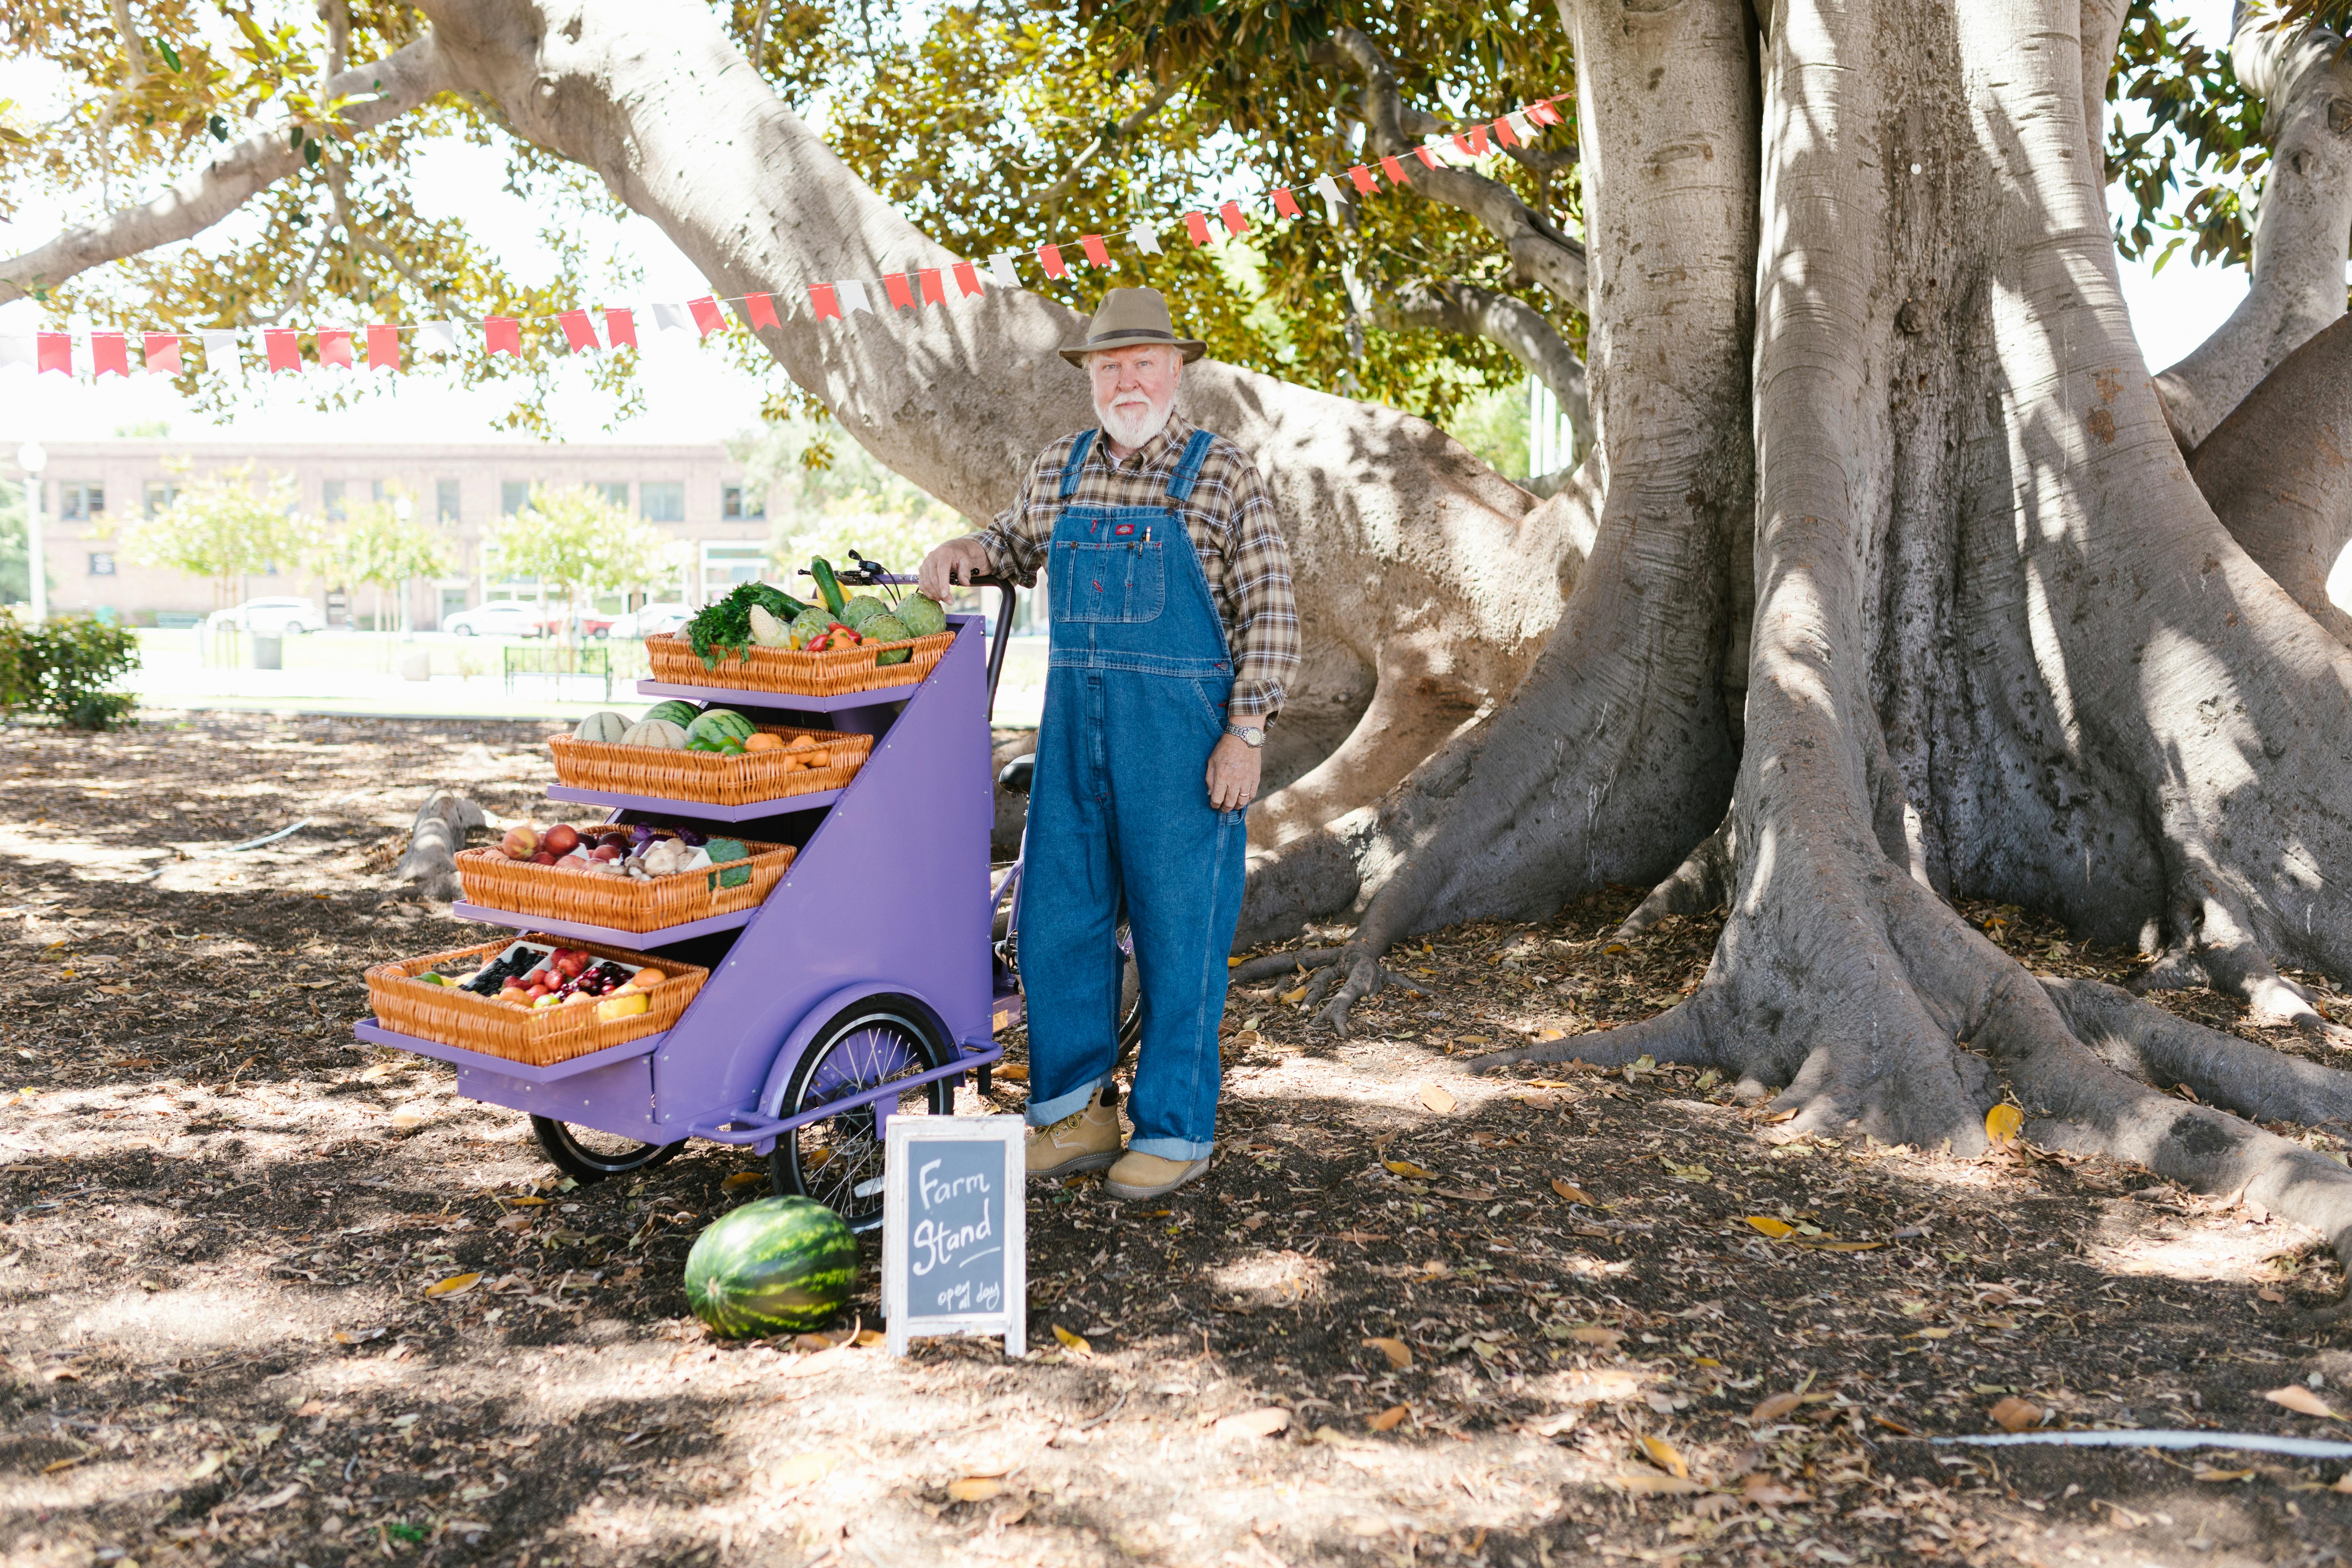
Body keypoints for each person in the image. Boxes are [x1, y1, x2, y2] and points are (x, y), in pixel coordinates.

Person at [919, 288, 1298, 1201]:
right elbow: (1013, 544)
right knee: (1056, 922)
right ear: (1090, 375)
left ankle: (1174, 1129)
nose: (1127, 380)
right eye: (1109, 366)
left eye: (1144, 364)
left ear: (1176, 371)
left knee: (1179, 938)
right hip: (1072, 743)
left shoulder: (1222, 476)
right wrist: (962, 550)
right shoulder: (1059, 470)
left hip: (1184, 750)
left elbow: (1274, 618)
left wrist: (1245, 734)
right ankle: (1074, 1117)